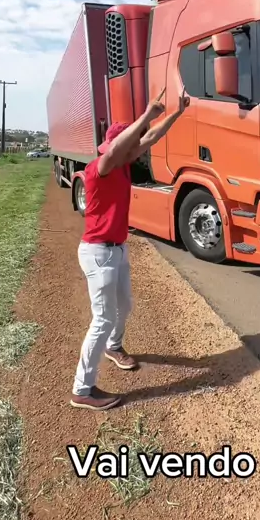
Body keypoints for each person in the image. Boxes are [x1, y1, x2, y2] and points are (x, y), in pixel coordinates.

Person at [70, 86, 190, 411]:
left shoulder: (123, 165)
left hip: (117, 250)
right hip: (98, 253)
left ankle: (114, 346)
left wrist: (176, 113)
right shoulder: (101, 167)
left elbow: (150, 137)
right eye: (129, 144)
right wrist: (146, 114)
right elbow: (118, 148)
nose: (135, 149)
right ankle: (82, 389)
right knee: (102, 318)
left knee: (124, 306)